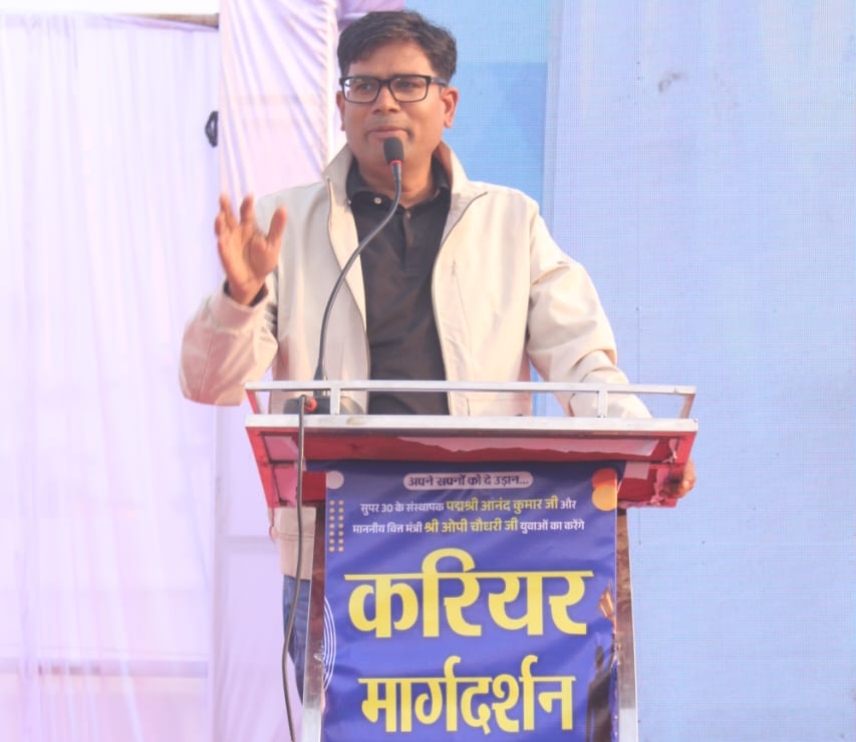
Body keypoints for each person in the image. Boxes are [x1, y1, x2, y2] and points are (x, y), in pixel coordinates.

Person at [179, 9, 696, 698]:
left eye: (407, 84)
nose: (384, 102)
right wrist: (239, 298)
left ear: (446, 105)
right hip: (341, 546)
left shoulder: (510, 222)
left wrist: (649, 446)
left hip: (486, 545)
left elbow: (581, 358)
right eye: (364, 86)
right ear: (340, 106)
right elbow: (209, 383)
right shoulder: (286, 226)